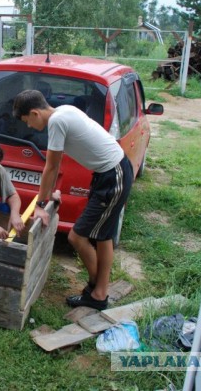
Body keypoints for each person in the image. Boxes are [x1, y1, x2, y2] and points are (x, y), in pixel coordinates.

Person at [12, 89, 134, 310]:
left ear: (34, 113)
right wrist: (53, 193)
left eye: (27, 121)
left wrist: (41, 205)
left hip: (112, 175)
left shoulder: (56, 122)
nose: (29, 126)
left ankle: (97, 291)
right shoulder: (65, 111)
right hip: (112, 171)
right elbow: (60, 162)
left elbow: (51, 166)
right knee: (103, 235)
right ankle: (99, 291)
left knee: (77, 237)